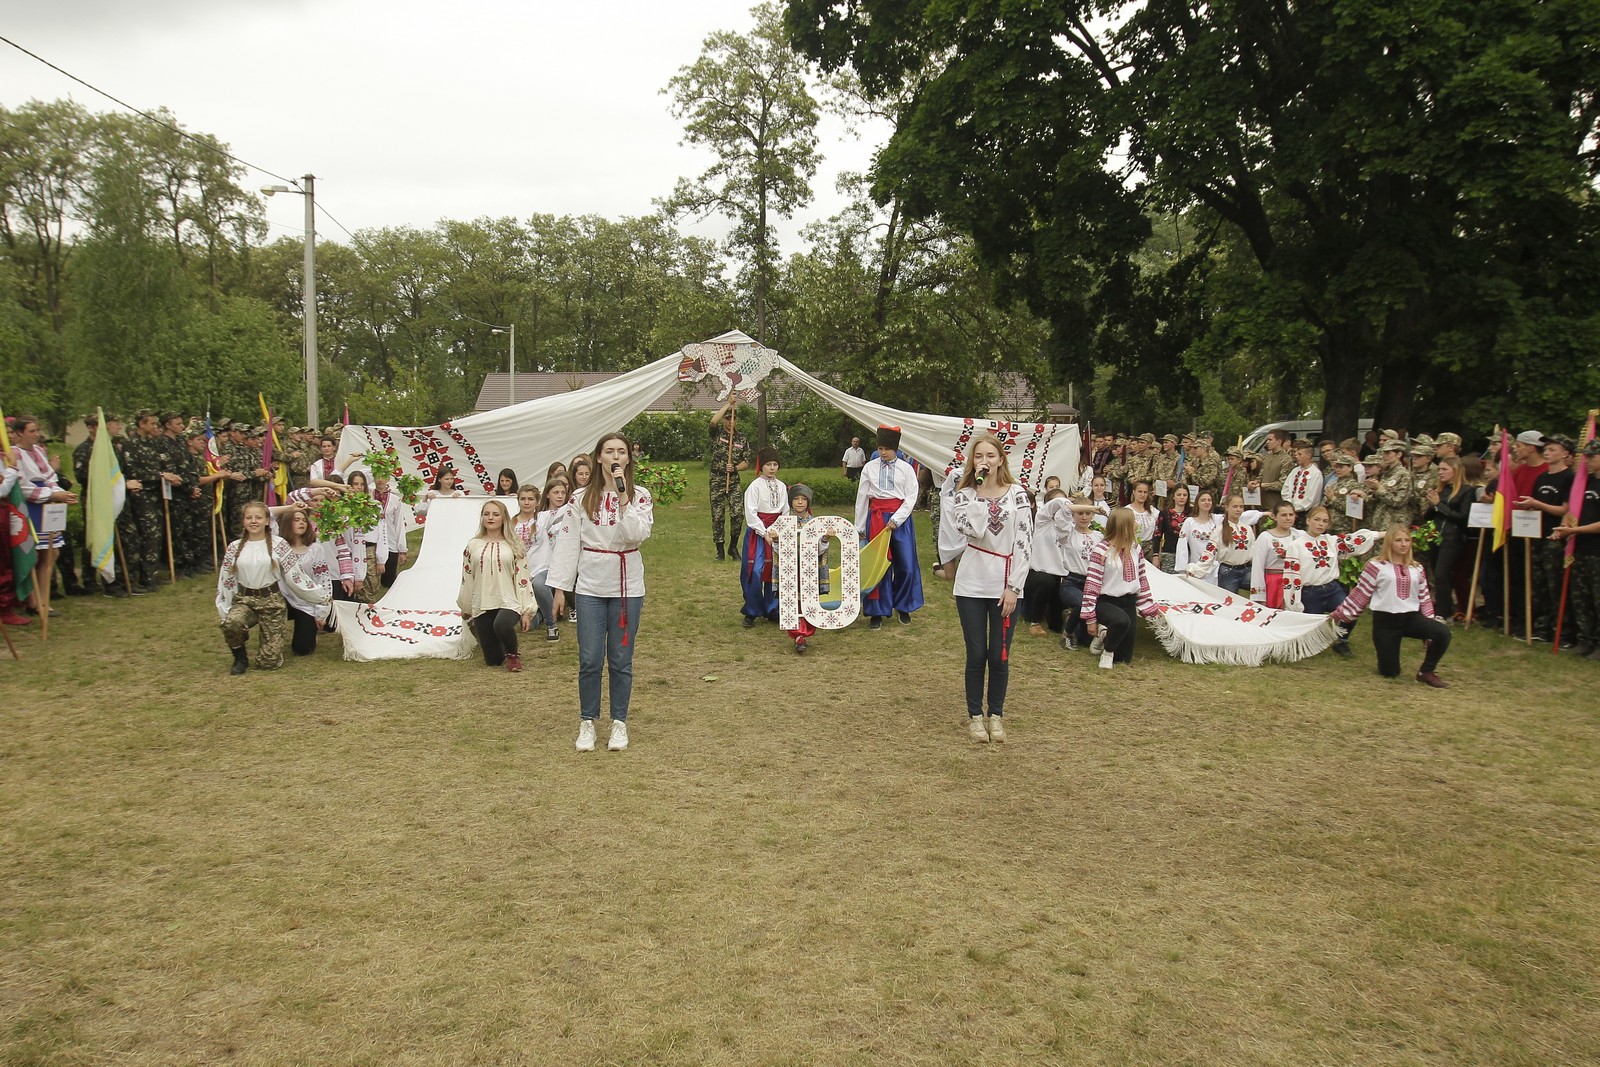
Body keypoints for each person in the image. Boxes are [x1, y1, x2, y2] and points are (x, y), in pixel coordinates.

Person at [548, 433, 654, 753]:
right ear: (598, 458)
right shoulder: (580, 498)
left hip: (626, 586)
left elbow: (636, 534)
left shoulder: (640, 496)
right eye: (609, 451)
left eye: (621, 452)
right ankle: (587, 721)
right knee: (590, 657)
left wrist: (624, 500)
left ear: (628, 459)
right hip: (591, 586)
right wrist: (559, 589)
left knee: (621, 658)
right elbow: (567, 544)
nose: (615, 456)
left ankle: (619, 722)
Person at [949, 434, 1032, 743]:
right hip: (971, 583)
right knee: (977, 653)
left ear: (1001, 460)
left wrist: (1014, 587)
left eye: (991, 455)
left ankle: (995, 714)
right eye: (979, 456)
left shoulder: (1018, 494)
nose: (985, 460)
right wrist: (980, 492)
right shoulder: (964, 496)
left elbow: (1025, 541)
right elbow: (974, 529)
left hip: (1006, 584)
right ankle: (975, 716)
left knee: (999, 654)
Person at [1331, 523, 1452, 687]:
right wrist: (1340, 614)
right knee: (1390, 672)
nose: (1403, 544)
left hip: (1411, 618)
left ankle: (1426, 671)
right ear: (1389, 542)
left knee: (1443, 633)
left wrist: (1429, 624)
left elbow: (1424, 597)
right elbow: (1360, 594)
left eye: (1407, 540)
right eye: (1398, 540)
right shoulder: (1376, 566)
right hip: (1385, 622)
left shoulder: (1417, 568)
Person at [216, 500, 328, 674]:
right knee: (232, 623)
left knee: (269, 663)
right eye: (249, 518)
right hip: (245, 600)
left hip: (272, 601)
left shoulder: (279, 545)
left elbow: (295, 576)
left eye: (258, 517)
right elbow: (226, 582)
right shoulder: (234, 547)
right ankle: (240, 657)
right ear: (244, 521)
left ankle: (269, 650)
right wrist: (225, 609)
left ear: (267, 521)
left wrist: (321, 597)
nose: (254, 521)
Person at [855, 425, 925, 629]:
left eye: (886, 448)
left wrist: (898, 518)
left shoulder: (906, 469)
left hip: (899, 521)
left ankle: (903, 605)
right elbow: (862, 497)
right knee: (878, 565)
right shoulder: (870, 467)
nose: (882, 452)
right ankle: (877, 610)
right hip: (876, 518)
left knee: (906, 564)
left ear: (895, 448)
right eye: (880, 448)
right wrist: (860, 527)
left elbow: (911, 497)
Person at [9, 415, 78, 615]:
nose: (36, 435)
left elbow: (49, 476)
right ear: (20, 432)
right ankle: (33, 601)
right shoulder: (14, 454)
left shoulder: (38, 451)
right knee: (32, 554)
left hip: (47, 504)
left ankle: (43, 598)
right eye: (32, 431)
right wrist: (51, 494)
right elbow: (22, 486)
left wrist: (59, 494)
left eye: (38, 430)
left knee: (51, 552)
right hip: (29, 506)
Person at [458, 499, 538, 672]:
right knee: (493, 661)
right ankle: (501, 644)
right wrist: (466, 606)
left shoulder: (514, 545)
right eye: (486, 514)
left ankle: (513, 654)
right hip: (483, 602)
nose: (490, 518)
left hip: (509, 600)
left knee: (501, 625)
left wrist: (526, 611)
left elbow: (522, 579)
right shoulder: (473, 545)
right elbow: (467, 577)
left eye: (495, 514)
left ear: (503, 518)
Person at [1292, 506, 1384, 657]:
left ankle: (1342, 641)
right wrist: (1294, 600)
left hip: (1332, 589)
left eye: (1325, 521)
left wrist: (1383, 534)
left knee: (1352, 611)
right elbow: (1291, 575)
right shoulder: (1296, 545)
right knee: (1309, 631)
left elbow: (1356, 540)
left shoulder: (1332, 541)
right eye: (1317, 520)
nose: (1320, 524)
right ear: (1308, 520)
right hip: (1310, 592)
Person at [1082, 508, 1160, 669]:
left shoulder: (1135, 549)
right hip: (1107, 601)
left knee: (1124, 658)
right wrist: (1090, 618)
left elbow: (1142, 578)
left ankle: (1104, 636)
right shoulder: (1101, 550)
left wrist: (1148, 606)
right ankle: (1107, 652)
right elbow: (1092, 583)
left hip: (1128, 601)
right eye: (1133, 522)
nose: (1136, 525)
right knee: (1121, 621)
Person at [1516, 436, 1576, 644]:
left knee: (1555, 584)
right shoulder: (1542, 478)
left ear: (1565, 454)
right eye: (1547, 449)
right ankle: (1542, 627)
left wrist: (1537, 504)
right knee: (1538, 583)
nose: (1548, 452)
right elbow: (1536, 505)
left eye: (1553, 449)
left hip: (1556, 536)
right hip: (1537, 533)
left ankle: (1565, 630)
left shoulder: (1569, 477)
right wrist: (1528, 506)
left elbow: (1565, 509)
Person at [275, 504, 351, 656]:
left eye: (304, 520)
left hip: (306, 602)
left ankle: (310, 630)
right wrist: (290, 507)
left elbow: (323, 580)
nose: (302, 523)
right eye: (296, 519)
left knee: (302, 649)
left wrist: (321, 612)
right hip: (283, 599)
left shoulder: (315, 549)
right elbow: (266, 513)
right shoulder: (278, 547)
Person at [1552, 439, 1600, 658]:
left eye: (1591, 456)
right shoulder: (1584, 482)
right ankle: (1586, 639)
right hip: (1579, 549)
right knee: (1582, 598)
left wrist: (1576, 530)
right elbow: (1571, 509)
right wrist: (1564, 527)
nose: (1586, 461)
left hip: (1597, 550)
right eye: (1585, 456)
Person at [1424, 457, 1481, 621]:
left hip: (1453, 537)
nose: (1440, 472)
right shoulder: (1440, 490)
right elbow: (1429, 517)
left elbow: (1463, 518)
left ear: (1455, 470)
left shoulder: (1466, 490)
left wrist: (1439, 505)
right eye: (1439, 469)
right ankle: (1445, 608)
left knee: (1442, 574)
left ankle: (1442, 612)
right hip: (1434, 536)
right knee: (1437, 574)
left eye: (1444, 469)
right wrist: (1432, 504)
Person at [740, 446, 788, 628]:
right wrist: (764, 532)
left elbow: (785, 510)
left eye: (775, 464)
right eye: (768, 464)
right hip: (757, 533)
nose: (772, 468)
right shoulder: (754, 486)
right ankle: (752, 610)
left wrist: (776, 531)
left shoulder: (782, 486)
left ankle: (773, 609)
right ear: (761, 466)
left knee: (775, 571)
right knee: (754, 570)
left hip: (777, 533)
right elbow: (751, 513)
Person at [784, 483, 830, 654]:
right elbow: (777, 548)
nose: (800, 503)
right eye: (796, 499)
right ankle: (797, 635)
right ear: (791, 501)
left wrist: (824, 539)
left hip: (808, 569)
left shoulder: (815, 523)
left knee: (807, 601)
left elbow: (819, 549)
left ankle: (804, 632)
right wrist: (775, 541)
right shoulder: (784, 521)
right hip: (790, 568)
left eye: (803, 499)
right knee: (792, 601)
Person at [1056, 498, 1103, 650]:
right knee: (1083, 603)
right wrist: (1091, 507)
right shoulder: (1067, 533)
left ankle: (1071, 617)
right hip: (1071, 581)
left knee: (1085, 640)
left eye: (1088, 513)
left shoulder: (1098, 536)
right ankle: (1067, 634)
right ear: (1074, 515)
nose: (1084, 517)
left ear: (1093, 516)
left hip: (1092, 583)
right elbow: (1063, 511)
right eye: (1080, 513)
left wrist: (1103, 511)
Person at [708, 397, 750, 561]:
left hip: (733, 481)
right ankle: (719, 550)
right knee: (718, 516)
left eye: (733, 418)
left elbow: (746, 462)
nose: (730, 421)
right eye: (727, 418)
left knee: (737, 514)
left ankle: (733, 546)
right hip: (717, 479)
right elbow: (713, 422)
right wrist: (728, 405)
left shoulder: (742, 439)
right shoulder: (717, 435)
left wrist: (734, 468)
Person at [1250, 503, 1305, 609]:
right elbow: (1257, 568)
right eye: (1284, 515)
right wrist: (1259, 597)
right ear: (1274, 517)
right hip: (1273, 584)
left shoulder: (1300, 535)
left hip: (1295, 582)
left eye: (1291, 514)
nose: (1288, 518)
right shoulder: (1265, 537)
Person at [1151, 484, 1190, 573]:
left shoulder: (1192, 514)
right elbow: (1157, 535)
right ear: (1173, 496)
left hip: (1188, 555)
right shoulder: (1164, 513)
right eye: (1179, 495)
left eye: (1185, 495)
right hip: (1169, 554)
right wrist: (1155, 556)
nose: (1182, 497)